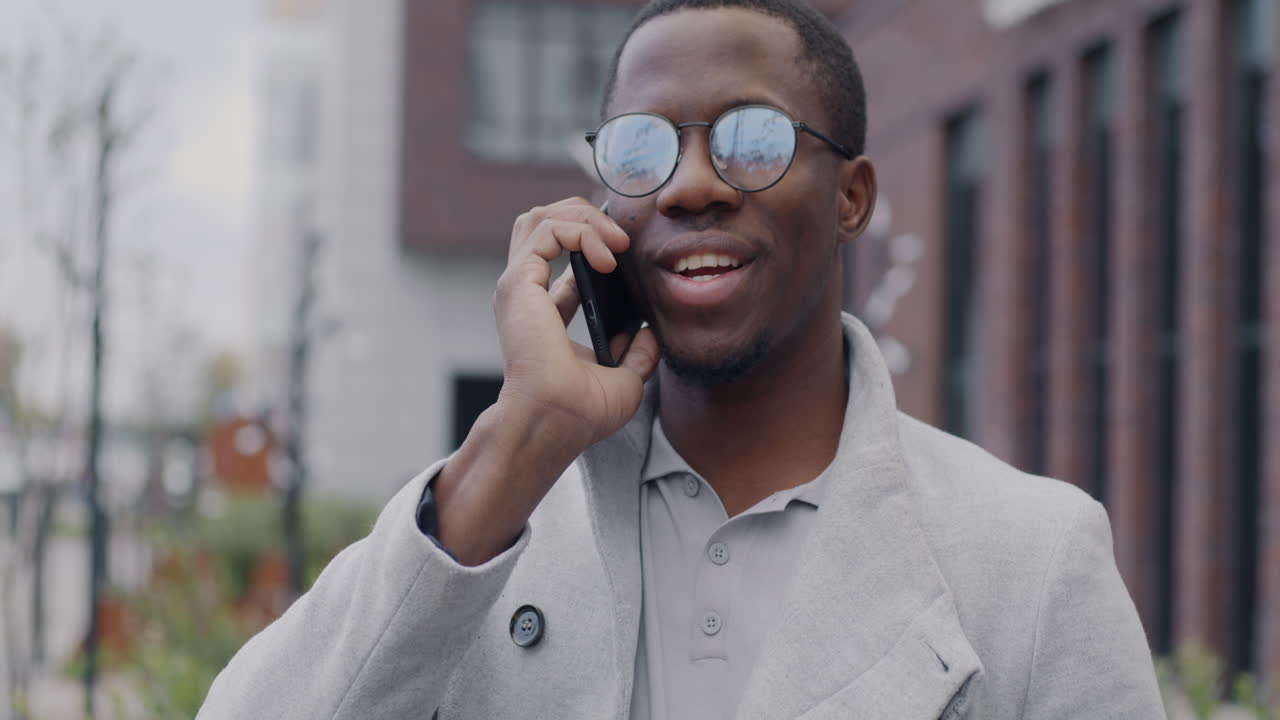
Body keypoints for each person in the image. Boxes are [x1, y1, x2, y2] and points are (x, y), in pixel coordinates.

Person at [198, 1, 1165, 718]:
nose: (692, 185)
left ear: (852, 197)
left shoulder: (1031, 561)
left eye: (754, 142)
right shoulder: (485, 525)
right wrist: (521, 442)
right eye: (640, 150)